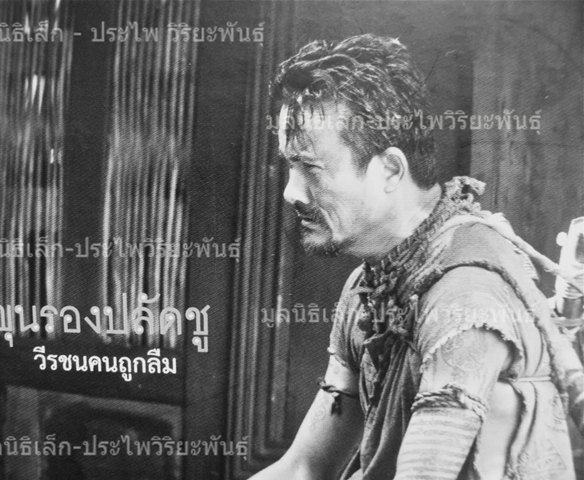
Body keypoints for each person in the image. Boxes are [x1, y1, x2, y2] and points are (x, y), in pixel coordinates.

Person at [250, 34, 584, 480]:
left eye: (310, 168)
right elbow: (305, 469)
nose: (291, 192)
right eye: (290, 167)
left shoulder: (464, 298)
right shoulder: (372, 283)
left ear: (390, 170)